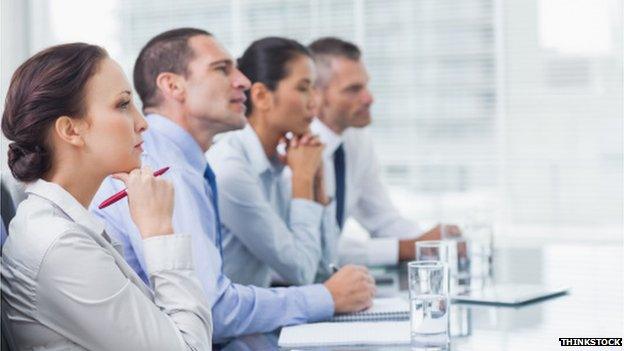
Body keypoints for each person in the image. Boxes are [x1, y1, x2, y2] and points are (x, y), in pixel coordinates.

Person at [91, 28, 375, 343]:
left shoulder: (186, 163)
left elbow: (316, 267)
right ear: (173, 85)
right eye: (222, 69)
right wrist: (323, 298)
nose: (243, 81)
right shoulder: (162, 170)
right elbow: (213, 308)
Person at [1, 43, 212, 350]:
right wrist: (158, 231)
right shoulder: (59, 244)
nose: (143, 123)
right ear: (71, 131)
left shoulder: (59, 224)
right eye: (123, 105)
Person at [308, 37, 460, 266]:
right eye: (353, 89)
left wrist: (431, 243)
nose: (369, 98)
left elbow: (382, 218)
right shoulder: (297, 149)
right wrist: (407, 248)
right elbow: (317, 249)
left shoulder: (355, 140)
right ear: (316, 95)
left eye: (365, 86)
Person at [207, 37, 338, 287]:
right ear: (261, 96)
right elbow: (301, 272)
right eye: (303, 88)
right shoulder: (231, 169)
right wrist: (302, 180)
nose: (315, 101)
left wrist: (316, 185)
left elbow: (327, 269)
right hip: (231, 325)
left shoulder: (277, 162)